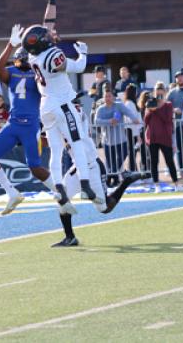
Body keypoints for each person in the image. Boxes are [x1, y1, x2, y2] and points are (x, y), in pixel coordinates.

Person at [22, 0, 103, 212]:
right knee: (76, 141)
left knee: (56, 150)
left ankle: (59, 190)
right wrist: (84, 54)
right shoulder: (53, 55)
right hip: (62, 104)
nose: (52, 33)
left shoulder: (33, 56)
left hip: (46, 107)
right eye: (48, 35)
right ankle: (87, 186)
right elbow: (77, 68)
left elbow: (46, 24)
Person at [52, 94, 141, 247]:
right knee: (61, 199)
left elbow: (75, 114)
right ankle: (70, 237)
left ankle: (126, 181)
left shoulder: (77, 114)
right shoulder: (60, 117)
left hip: (92, 166)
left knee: (104, 208)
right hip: (77, 167)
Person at [0, 37, 57, 216]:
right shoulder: (14, 72)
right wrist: (10, 45)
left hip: (31, 125)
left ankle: (61, 190)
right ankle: (12, 193)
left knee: (35, 168)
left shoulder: (38, 73)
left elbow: (51, 78)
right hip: (13, 123)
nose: (22, 62)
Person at [95, 89, 140, 186]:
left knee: (121, 157)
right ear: (103, 98)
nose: (108, 98)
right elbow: (96, 121)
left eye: (109, 96)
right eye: (106, 96)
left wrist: (134, 119)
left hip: (121, 139)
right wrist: (109, 121)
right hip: (107, 140)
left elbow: (128, 112)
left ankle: (110, 176)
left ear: (113, 97)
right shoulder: (101, 109)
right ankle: (114, 180)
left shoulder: (119, 105)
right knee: (110, 162)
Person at [144, 83, 179, 192]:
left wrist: (158, 108)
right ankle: (157, 185)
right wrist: (150, 109)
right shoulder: (150, 103)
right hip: (152, 137)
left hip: (165, 137)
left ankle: (176, 184)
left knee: (169, 161)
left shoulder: (168, 105)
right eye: (157, 91)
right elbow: (145, 120)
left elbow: (167, 119)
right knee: (154, 162)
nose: (159, 94)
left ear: (164, 92)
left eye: (161, 91)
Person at [122, 83, 142, 172]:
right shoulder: (129, 103)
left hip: (133, 130)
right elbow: (132, 120)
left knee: (133, 152)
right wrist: (138, 135)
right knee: (132, 152)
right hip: (132, 131)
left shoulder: (130, 103)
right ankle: (132, 170)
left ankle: (133, 169)